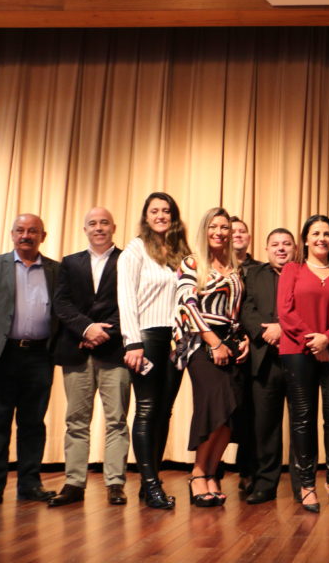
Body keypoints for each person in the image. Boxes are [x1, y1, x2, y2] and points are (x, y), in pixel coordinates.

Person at [0, 214, 60, 509]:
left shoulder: (56, 270)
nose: (26, 235)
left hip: (40, 356)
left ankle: (30, 484)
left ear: (44, 235)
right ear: (12, 233)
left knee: (33, 423)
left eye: (33, 231)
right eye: (20, 230)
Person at [49, 207, 130, 507]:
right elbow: (61, 304)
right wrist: (86, 329)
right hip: (76, 351)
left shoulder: (128, 259)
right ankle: (74, 483)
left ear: (114, 227)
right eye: (92, 223)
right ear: (85, 229)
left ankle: (115, 483)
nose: (98, 228)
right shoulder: (70, 263)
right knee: (76, 421)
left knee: (117, 420)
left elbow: (133, 303)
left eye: (104, 222)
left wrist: (105, 332)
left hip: (115, 352)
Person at [278, 215, 329, 512]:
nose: (322, 238)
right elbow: (285, 312)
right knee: (302, 419)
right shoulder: (292, 269)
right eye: (316, 233)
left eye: (327, 233)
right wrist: (314, 342)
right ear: (306, 239)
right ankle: (307, 486)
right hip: (298, 351)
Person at [173, 207, 250, 507]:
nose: (219, 232)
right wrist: (214, 342)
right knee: (213, 406)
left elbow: (236, 312)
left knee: (228, 414)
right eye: (213, 227)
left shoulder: (234, 266)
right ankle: (197, 474)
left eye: (224, 227)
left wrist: (240, 339)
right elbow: (187, 305)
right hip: (201, 342)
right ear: (204, 230)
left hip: (229, 341)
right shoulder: (192, 262)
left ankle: (211, 473)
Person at [118, 191, 190, 509]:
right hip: (146, 339)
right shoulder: (135, 249)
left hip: (175, 341)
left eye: (166, 211)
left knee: (164, 411)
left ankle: (151, 484)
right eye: (154, 211)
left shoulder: (181, 252)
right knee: (146, 410)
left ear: (174, 216)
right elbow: (126, 298)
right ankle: (151, 484)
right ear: (146, 217)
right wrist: (132, 342)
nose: (160, 216)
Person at [240, 228, 303, 504]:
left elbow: (309, 311)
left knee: (301, 425)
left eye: (286, 244)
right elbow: (245, 309)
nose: (281, 248)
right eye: (275, 244)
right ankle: (266, 484)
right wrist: (264, 332)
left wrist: (284, 330)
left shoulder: (305, 273)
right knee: (265, 426)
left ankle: (304, 485)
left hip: (299, 358)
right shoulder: (253, 274)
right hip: (264, 358)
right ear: (266, 250)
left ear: (295, 249)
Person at [229, 215, 260, 494]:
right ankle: (208, 471)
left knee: (251, 411)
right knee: (225, 410)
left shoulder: (259, 269)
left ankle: (248, 469)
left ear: (249, 237)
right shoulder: (216, 267)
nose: (238, 234)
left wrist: (251, 338)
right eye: (233, 230)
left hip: (253, 347)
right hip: (221, 344)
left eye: (243, 231)